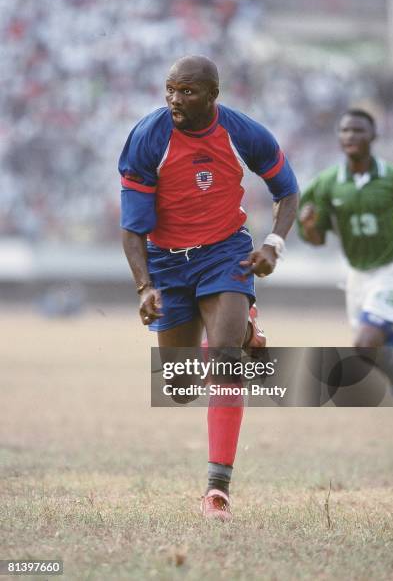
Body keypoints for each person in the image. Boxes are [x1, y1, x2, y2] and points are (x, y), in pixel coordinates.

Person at [119, 55, 299, 520]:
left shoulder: (244, 133)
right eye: (170, 90)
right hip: (166, 263)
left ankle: (217, 489)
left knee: (223, 359)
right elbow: (132, 227)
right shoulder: (147, 137)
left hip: (224, 253)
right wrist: (144, 288)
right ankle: (243, 328)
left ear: (213, 95)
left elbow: (288, 189)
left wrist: (274, 243)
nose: (175, 100)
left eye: (187, 91)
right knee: (179, 386)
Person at [298, 108, 393, 403]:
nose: (351, 136)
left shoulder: (392, 177)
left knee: (366, 343)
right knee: (378, 352)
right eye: (345, 130)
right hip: (356, 276)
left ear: (373, 136)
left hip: (392, 271)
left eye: (358, 130)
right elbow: (315, 240)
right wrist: (308, 225)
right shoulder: (327, 183)